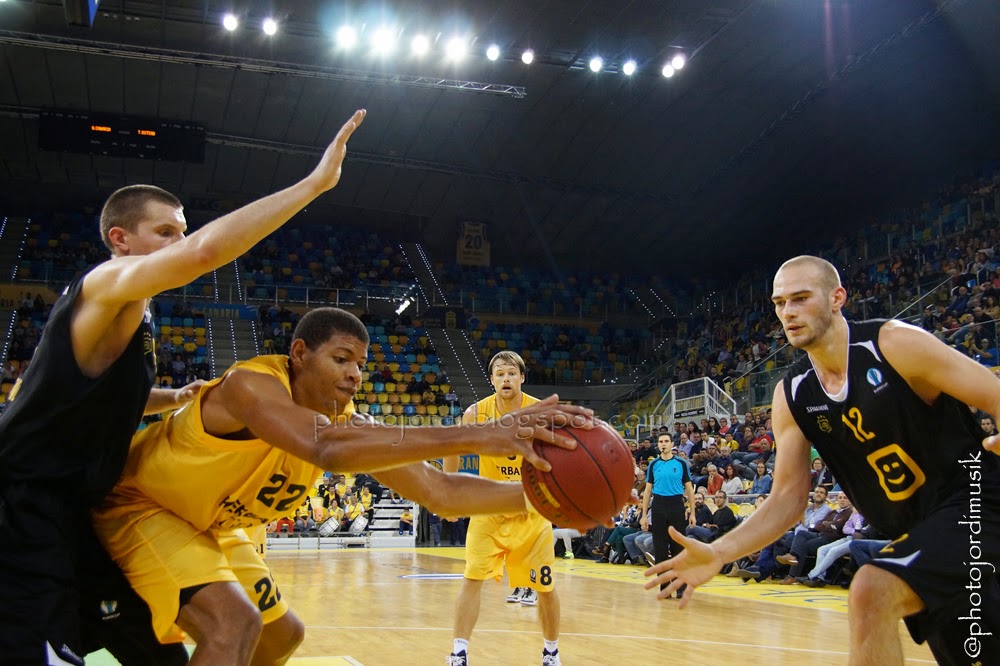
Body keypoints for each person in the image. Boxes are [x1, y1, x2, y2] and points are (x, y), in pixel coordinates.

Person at [0, 108, 368, 666]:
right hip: (24, 504)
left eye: (182, 230)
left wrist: (169, 398)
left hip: (83, 504)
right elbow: (204, 255)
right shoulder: (103, 286)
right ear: (120, 239)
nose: (180, 241)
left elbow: (66, 392)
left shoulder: (135, 319)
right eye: (165, 232)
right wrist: (314, 185)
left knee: (168, 650)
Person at [93, 309, 591, 666]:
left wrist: (552, 503)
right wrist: (481, 431)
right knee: (234, 625)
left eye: (360, 363)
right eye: (342, 359)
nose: (355, 374)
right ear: (299, 354)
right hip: (143, 506)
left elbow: (441, 491)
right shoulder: (252, 384)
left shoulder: (345, 420)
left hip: (209, 523)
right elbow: (324, 448)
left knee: (282, 635)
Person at [646, 255, 1000, 665]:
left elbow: (993, 393)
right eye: (780, 303)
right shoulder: (793, 394)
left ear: (837, 298)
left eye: (800, 298)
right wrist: (721, 552)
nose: (788, 312)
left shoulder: (894, 344)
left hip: (977, 504)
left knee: (871, 590)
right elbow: (787, 500)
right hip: (918, 531)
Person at [443, 351, 563, 666]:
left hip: (531, 513)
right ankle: (458, 652)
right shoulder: (475, 413)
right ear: (492, 380)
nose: (505, 379)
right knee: (471, 578)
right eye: (499, 374)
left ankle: (551, 651)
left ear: (522, 377)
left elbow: (563, 457)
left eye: (511, 373)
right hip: (490, 510)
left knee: (546, 587)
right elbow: (452, 448)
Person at [639, 432, 696, 599]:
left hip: (676, 505)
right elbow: (648, 491)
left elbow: (690, 489)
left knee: (679, 548)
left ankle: (681, 587)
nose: (663, 444)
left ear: (672, 444)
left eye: (666, 441)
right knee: (660, 548)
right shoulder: (653, 465)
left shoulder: (681, 463)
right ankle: (665, 587)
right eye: (660, 441)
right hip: (658, 506)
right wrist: (644, 515)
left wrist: (692, 512)